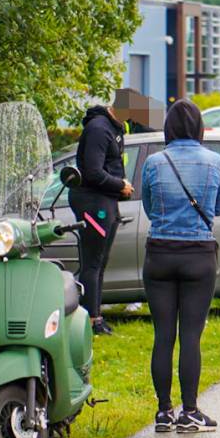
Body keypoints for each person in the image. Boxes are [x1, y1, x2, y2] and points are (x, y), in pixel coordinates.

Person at [139, 100, 220, 434]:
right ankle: (190, 411)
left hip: (159, 252)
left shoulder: (154, 162)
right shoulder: (215, 161)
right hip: (198, 254)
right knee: (191, 336)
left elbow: (149, 207)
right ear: (200, 128)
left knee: (163, 335)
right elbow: (218, 207)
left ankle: (164, 412)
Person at [69, 104, 133, 336]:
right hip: (93, 203)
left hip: (105, 201)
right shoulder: (99, 129)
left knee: (100, 262)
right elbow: (93, 172)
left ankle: (95, 316)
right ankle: (90, 321)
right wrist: (120, 185)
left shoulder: (114, 127)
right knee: (92, 263)